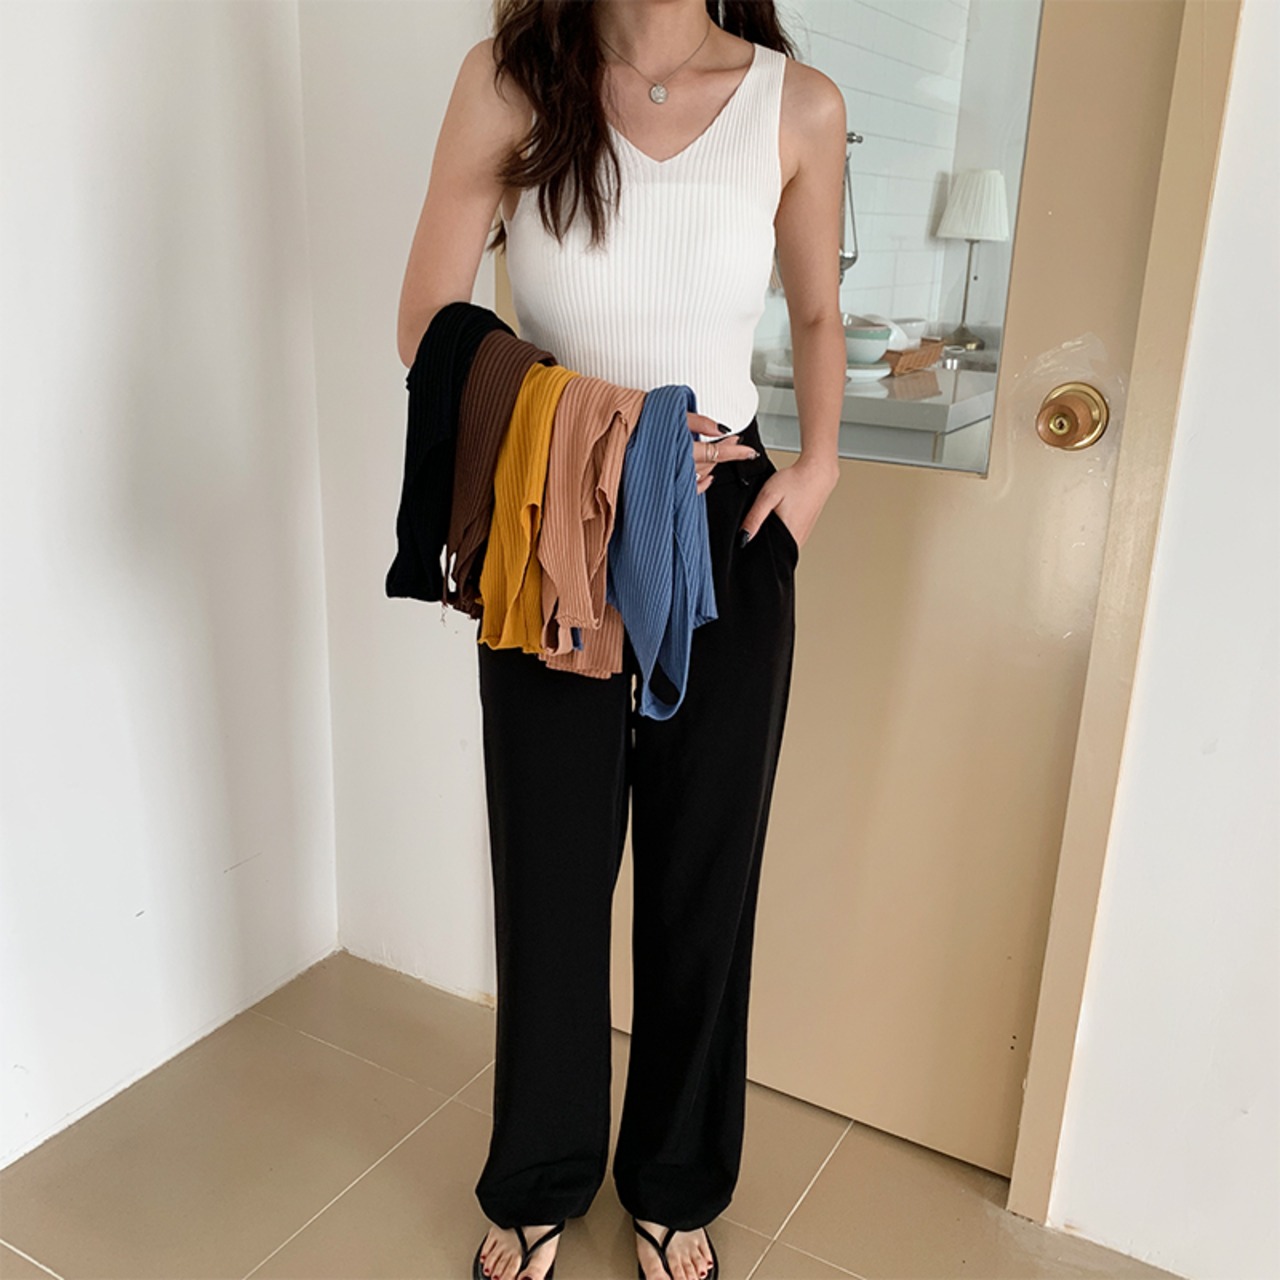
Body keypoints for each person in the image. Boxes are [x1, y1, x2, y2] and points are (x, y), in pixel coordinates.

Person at [396, 3, 846, 1277]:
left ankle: (673, 1178)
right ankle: (539, 1172)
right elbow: (426, 320)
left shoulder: (796, 103)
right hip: (553, 521)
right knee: (548, 870)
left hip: (721, 522)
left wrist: (812, 474)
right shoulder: (512, 78)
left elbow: (816, 313)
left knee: (705, 873)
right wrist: (607, 431)